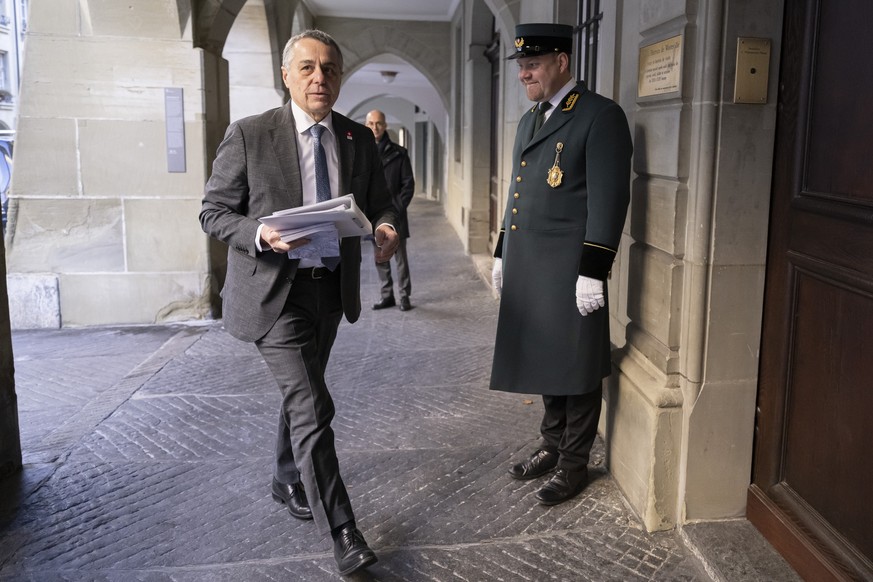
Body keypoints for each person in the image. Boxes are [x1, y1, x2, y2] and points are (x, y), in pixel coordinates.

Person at [199, 29, 399, 577]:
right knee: (314, 405)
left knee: (305, 390)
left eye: (330, 69)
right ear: (286, 75)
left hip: (329, 290)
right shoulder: (250, 134)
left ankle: (286, 475)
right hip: (273, 293)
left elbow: (382, 204)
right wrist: (262, 235)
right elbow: (214, 212)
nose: (320, 78)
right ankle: (343, 532)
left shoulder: (358, 139)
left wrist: (385, 227)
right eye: (308, 68)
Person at [490, 23, 632, 506]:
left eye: (532, 64)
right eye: (521, 66)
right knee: (546, 358)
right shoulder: (533, 119)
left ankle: (574, 464)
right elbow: (517, 190)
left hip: (573, 268)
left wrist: (594, 269)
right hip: (531, 263)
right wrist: (502, 251)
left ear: (562, 63)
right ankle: (552, 445)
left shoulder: (599, 115)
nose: (523, 73)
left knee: (576, 366)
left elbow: (609, 200)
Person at [365, 110, 416, 311]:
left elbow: (408, 185)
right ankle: (387, 296)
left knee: (400, 258)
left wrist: (394, 211)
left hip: (395, 216)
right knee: (380, 258)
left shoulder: (399, 153)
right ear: (366, 125)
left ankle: (405, 296)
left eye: (378, 124)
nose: (375, 128)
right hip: (371, 217)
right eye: (371, 124)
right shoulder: (363, 154)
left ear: (385, 125)